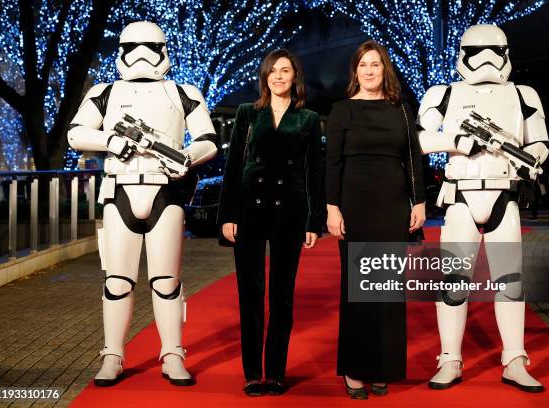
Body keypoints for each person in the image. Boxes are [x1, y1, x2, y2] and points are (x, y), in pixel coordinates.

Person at [67, 21, 218, 386]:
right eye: (132, 46)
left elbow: (208, 139)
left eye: (149, 47)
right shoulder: (105, 92)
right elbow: (76, 133)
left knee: (166, 281)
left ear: (164, 50)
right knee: (117, 280)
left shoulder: (182, 92)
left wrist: (185, 156)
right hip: (119, 190)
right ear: (120, 50)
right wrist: (111, 142)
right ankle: (113, 354)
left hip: (165, 191)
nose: (141, 55)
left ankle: (172, 352)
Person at [417, 24, 549, 392]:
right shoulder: (443, 94)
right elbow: (420, 139)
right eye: (477, 51)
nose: (486, 59)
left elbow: (538, 142)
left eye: (494, 50)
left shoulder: (523, 94)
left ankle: (514, 358)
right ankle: (450, 357)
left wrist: (529, 158)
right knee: (454, 281)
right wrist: (458, 142)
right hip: (460, 194)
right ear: (463, 53)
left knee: (509, 282)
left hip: (503, 195)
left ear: (506, 52)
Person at [217, 49, 324, 397]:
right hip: (249, 208)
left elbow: (314, 172)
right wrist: (228, 215)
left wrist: (313, 220)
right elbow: (233, 165)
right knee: (250, 295)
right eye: (273, 71)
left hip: (290, 211)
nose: (279, 76)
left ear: (295, 77)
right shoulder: (248, 113)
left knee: (282, 296)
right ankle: (252, 373)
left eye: (286, 70)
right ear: (264, 77)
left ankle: (275, 372)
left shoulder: (308, 118)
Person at [325, 40, 426, 399]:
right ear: (355, 71)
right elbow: (332, 163)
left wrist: (420, 202)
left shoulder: (401, 109)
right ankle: (355, 370)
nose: (369, 71)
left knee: (387, 292)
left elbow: (413, 157)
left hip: (393, 205)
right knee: (357, 291)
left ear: (385, 70)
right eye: (363, 65)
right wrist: (332, 207)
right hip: (354, 206)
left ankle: (382, 368)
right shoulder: (341, 110)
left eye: (376, 65)